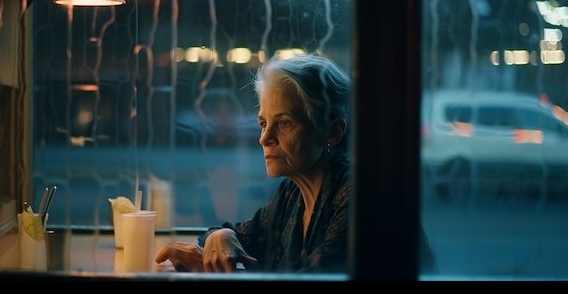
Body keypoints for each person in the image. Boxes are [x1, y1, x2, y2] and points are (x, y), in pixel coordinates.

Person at [155, 53, 437, 274]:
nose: (265, 139)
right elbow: (236, 235)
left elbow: (308, 280)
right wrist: (222, 236)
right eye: (263, 123)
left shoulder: (361, 199)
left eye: (285, 123)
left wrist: (219, 264)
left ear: (333, 132)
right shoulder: (292, 194)